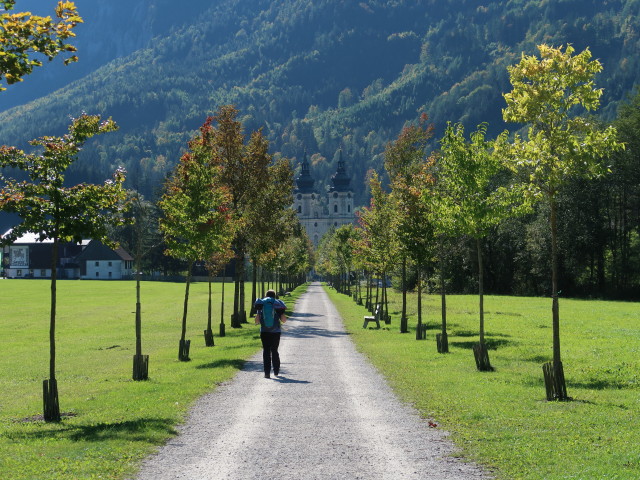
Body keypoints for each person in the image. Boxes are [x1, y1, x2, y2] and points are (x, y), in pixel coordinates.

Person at [254, 289, 287, 378]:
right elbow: (284, 320)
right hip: (276, 332)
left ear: (266, 295)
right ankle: (276, 371)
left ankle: (267, 373)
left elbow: (256, 321)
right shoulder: (277, 303)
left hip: (264, 331)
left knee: (266, 351)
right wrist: (281, 313)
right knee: (274, 350)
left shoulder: (262, 303)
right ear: (274, 295)